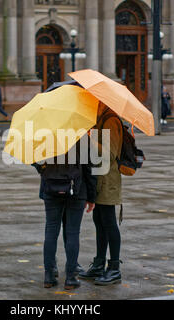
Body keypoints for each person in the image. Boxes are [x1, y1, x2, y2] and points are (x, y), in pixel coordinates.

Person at [33, 141, 97, 290]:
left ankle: (49, 276)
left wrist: (45, 169)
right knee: (73, 232)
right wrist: (92, 197)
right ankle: (70, 278)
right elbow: (89, 170)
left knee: (51, 230)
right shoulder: (80, 138)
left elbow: (34, 160)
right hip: (77, 189)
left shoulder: (46, 135)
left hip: (51, 187)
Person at [79, 102, 124, 286]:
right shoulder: (99, 120)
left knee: (109, 222)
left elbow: (110, 154)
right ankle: (99, 263)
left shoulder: (111, 121)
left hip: (108, 180)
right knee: (99, 222)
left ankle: (114, 268)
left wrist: (89, 138)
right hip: (97, 177)